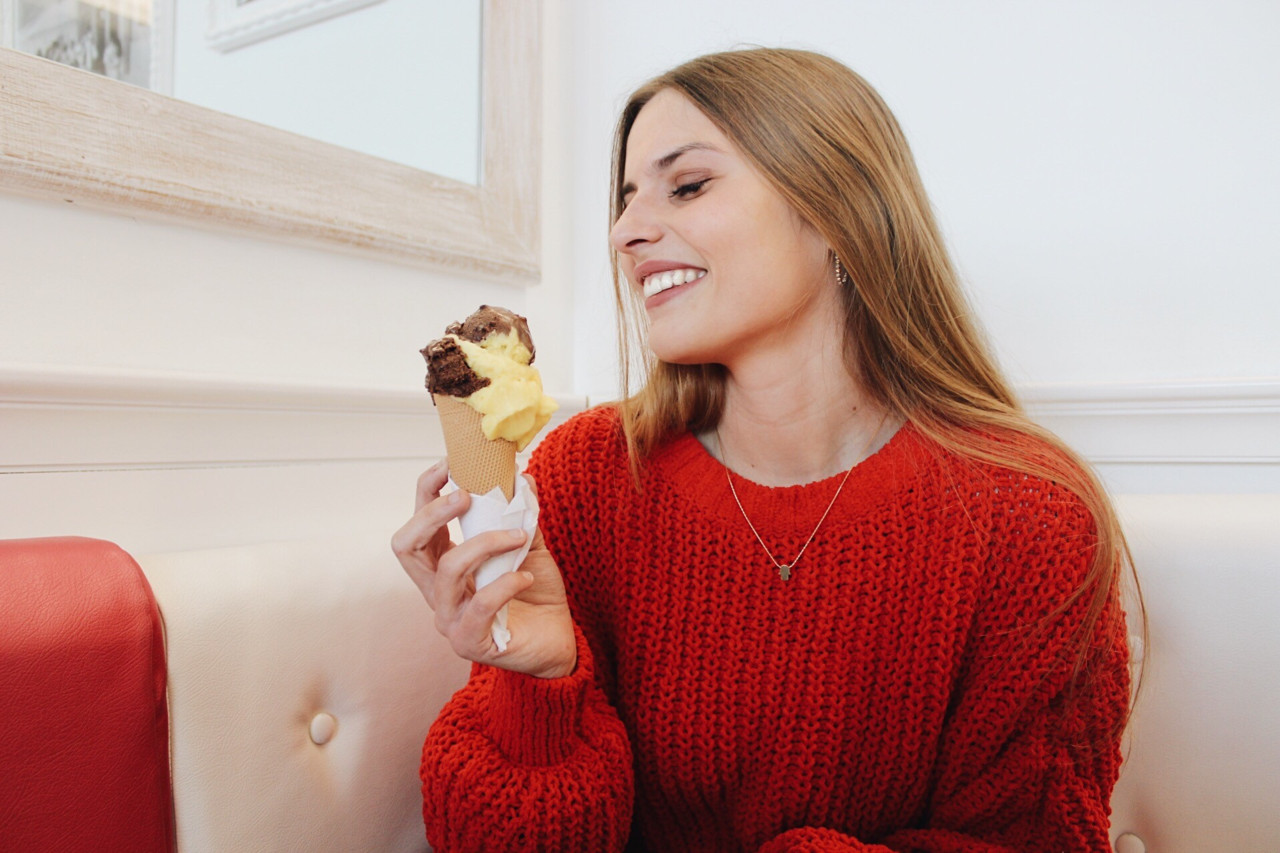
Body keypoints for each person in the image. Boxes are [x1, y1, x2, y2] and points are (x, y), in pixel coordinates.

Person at [393, 47, 1138, 852]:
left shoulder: (1030, 519)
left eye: (687, 185)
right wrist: (539, 687)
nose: (624, 232)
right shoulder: (587, 474)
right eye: (626, 199)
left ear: (837, 209)